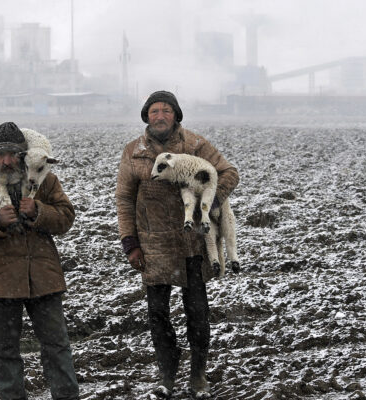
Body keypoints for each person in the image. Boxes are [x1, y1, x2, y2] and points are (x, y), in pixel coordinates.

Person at [115, 91, 239, 399]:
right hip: (153, 247)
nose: (160, 116)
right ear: (146, 116)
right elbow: (124, 199)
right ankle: (166, 377)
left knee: (198, 313)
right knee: (158, 315)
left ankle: (198, 377)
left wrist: (213, 201)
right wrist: (130, 243)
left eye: (166, 110)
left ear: (176, 115)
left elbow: (229, 173)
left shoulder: (195, 145)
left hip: (193, 246)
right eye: (154, 111)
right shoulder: (134, 152)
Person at [0, 122, 79, 400]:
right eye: (0, 154)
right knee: (7, 352)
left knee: (57, 347)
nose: (6, 161)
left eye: (12, 154)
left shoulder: (44, 178)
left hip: (44, 278)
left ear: (23, 154)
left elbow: (66, 216)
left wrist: (39, 212)